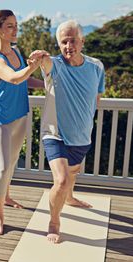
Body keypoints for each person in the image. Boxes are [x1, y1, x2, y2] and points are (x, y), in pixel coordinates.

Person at [30, 20, 105, 243]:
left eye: (73, 40)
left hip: (82, 135)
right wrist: (40, 56)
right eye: (64, 41)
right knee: (61, 180)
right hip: (55, 133)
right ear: (59, 44)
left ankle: (70, 198)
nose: (68, 45)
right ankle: (54, 222)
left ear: (82, 41)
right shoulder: (55, 65)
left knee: (72, 174)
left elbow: (97, 98)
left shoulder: (97, 67)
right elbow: (44, 61)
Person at [0, 10, 44, 236]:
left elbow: (27, 80)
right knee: (2, 168)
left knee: (13, 161)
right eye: (9, 26)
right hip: (1, 120)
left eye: (16, 25)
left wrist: (47, 84)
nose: (15, 29)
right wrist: (34, 65)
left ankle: (6, 196)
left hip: (20, 115)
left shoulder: (17, 52)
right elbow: (16, 78)